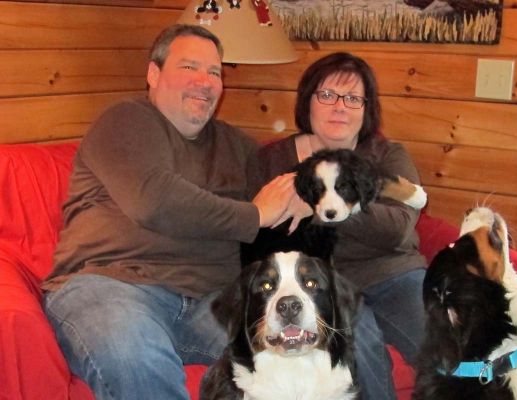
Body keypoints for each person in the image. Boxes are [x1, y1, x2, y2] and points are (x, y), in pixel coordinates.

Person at [41, 26, 392, 400]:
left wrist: (311, 185)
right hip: (112, 285)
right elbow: (155, 201)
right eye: (189, 67)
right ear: (153, 74)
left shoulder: (236, 146)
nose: (204, 82)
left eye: (214, 73)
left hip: (210, 299)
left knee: (308, 353)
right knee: (134, 355)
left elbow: (294, 187)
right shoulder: (126, 121)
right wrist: (255, 214)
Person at [248, 52, 428, 399]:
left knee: (443, 349)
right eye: (327, 95)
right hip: (319, 287)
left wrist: (322, 204)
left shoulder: (386, 157)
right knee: (360, 341)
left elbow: (396, 229)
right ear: (308, 103)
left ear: (366, 109)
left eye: (353, 98)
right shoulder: (272, 161)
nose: (340, 107)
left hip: (394, 276)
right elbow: (261, 232)